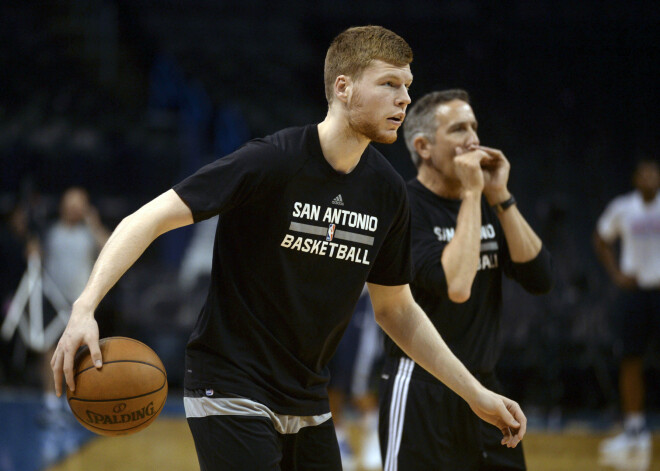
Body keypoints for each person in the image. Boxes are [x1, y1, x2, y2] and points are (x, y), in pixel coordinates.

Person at [52, 27, 527, 470]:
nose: (404, 98)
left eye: (407, 85)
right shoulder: (272, 160)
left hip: (308, 400)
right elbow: (146, 219)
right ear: (343, 88)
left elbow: (397, 310)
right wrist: (84, 308)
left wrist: (475, 394)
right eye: (388, 84)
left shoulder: (386, 190)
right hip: (230, 385)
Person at [379, 89, 553, 470]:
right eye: (459, 129)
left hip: (485, 384)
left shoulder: (486, 203)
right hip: (422, 388)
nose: (474, 139)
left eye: (474, 126)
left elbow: (540, 278)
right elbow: (456, 286)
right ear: (424, 146)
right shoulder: (404, 207)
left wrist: (501, 196)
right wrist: (474, 194)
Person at [593, 159, 660, 461]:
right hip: (635, 293)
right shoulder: (623, 207)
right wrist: (617, 274)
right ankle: (634, 429)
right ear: (635, 178)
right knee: (631, 360)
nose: (648, 177)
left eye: (653, 172)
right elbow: (601, 237)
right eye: (643, 173)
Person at [41, 187, 110, 423]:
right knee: (49, 349)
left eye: (78, 204)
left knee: (82, 353)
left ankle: (78, 403)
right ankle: (51, 403)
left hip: (80, 304)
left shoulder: (88, 234)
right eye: (69, 204)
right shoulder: (51, 232)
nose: (73, 209)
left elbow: (110, 248)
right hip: (53, 300)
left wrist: (93, 222)